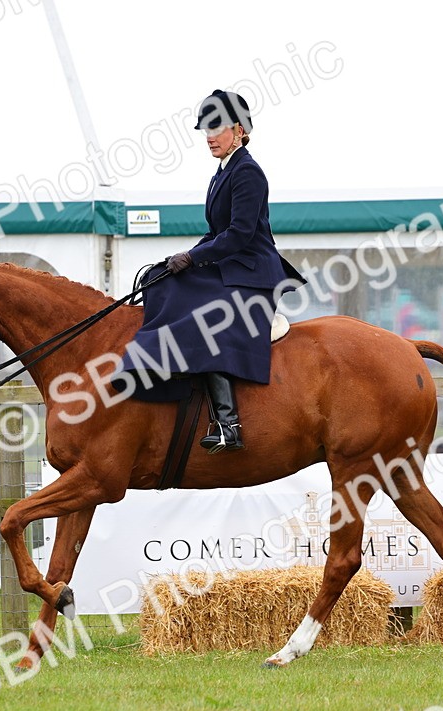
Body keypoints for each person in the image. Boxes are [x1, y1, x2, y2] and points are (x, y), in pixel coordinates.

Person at [120, 89, 305, 453]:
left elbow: (239, 234)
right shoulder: (222, 172)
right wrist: (183, 258)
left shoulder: (248, 172)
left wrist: (194, 259)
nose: (209, 137)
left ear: (239, 131)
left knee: (207, 319)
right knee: (161, 282)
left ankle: (228, 423)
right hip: (231, 266)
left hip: (252, 273)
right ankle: (167, 370)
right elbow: (216, 232)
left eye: (217, 129)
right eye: (206, 129)